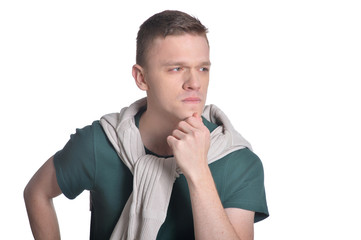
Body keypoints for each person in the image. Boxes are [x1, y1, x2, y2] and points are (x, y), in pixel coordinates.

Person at [24, 10, 269, 240]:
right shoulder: (101, 142)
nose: (194, 82)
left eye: (202, 68)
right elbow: (37, 193)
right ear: (142, 78)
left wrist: (199, 173)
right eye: (176, 68)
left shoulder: (237, 161)